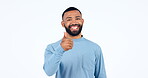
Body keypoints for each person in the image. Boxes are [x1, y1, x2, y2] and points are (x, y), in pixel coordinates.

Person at [43, 7, 107, 78]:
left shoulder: (95, 48)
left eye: (77, 18)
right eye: (69, 19)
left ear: (82, 21)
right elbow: (49, 72)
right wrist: (60, 49)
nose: (74, 22)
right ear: (63, 24)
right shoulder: (52, 47)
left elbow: (101, 75)